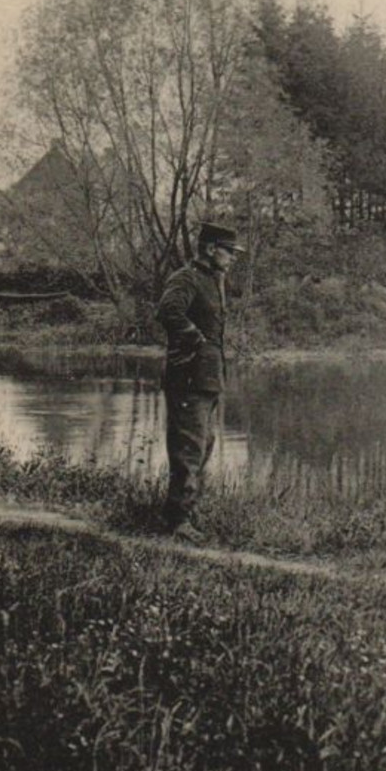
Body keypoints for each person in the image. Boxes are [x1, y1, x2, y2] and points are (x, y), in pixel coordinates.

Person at [155, 220, 244, 541]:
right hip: (188, 378)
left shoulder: (213, 280)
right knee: (188, 449)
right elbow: (168, 312)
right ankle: (178, 522)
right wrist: (194, 338)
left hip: (207, 378)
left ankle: (180, 513)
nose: (232, 257)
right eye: (228, 251)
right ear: (210, 249)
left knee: (203, 445)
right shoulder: (187, 279)